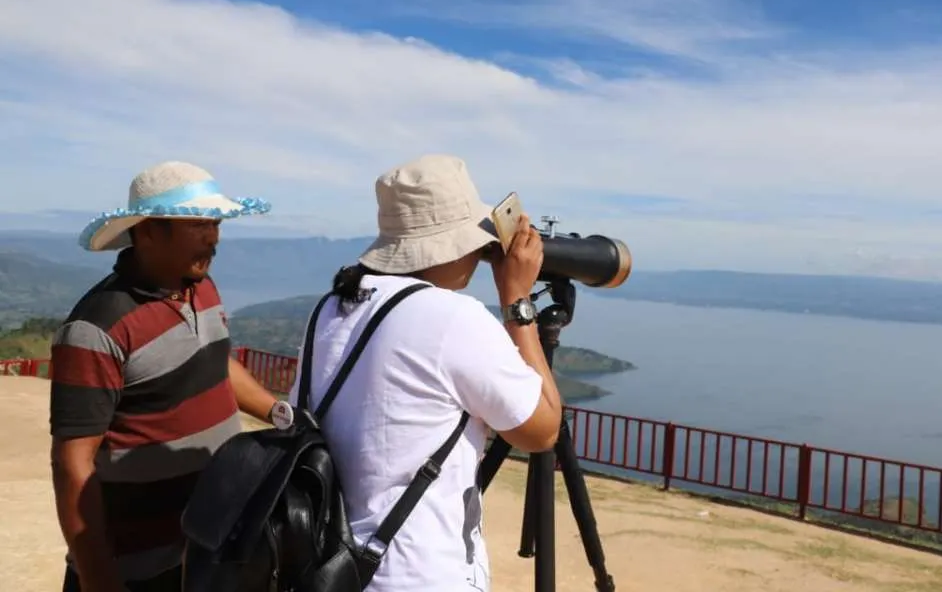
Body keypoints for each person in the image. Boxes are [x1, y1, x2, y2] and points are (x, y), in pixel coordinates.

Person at [288, 154, 563, 592]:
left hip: (327, 565)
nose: (478, 253)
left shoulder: (330, 306)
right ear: (449, 244)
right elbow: (542, 431)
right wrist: (517, 298)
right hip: (417, 574)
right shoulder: (450, 317)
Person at [49, 161, 291, 592]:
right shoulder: (96, 329)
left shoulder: (202, 287)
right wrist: (98, 576)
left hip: (206, 548)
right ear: (147, 231)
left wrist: (279, 413)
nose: (214, 237)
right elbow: (73, 463)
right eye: (198, 224)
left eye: (215, 222)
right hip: (136, 569)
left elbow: (217, 364)